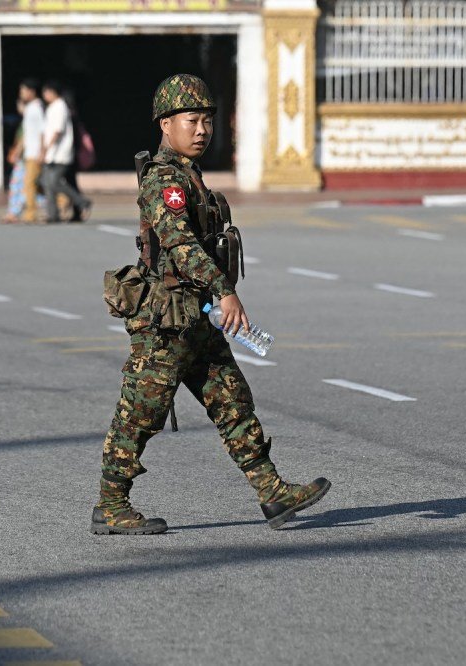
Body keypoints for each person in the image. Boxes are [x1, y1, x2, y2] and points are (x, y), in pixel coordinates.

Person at [91, 74, 330, 536]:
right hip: (167, 322)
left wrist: (215, 296)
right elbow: (179, 243)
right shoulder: (165, 179)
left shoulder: (189, 175)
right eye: (192, 120)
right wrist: (224, 289)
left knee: (233, 403)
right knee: (141, 413)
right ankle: (110, 504)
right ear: (165, 123)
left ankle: (272, 493)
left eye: (207, 121)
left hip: (196, 317)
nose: (202, 129)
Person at [41, 80, 92, 223]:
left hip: (60, 154)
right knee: (48, 183)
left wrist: (46, 149)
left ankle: (82, 201)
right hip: (53, 154)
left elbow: (57, 131)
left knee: (53, 182)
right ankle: (53, 214)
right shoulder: (52, 107)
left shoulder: (60, 107)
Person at [17, 78, 45, 224]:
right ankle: (62, 200)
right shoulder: (30, 109)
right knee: (37, 183)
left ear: (31, 92)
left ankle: (30, 213)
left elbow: (42, 131)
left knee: (29, 183)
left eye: (23, 91)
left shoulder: (36, 109)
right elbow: (26, 132)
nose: (21, 94)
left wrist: (42, 151)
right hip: (30, 152)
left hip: (35, 152)